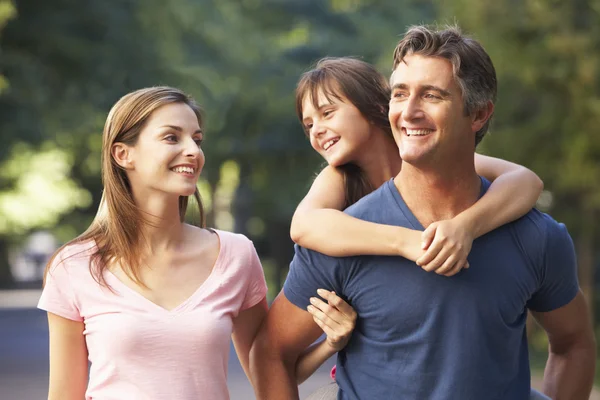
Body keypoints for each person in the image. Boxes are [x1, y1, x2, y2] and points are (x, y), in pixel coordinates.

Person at [251, 26, 596, 400]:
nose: (410, 111)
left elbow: (574, 343)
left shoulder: (535, 235)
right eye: (400, 94)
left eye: (431, 95)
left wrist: (466, 227)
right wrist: (405, 242)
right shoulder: (338, 230)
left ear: (478, 114)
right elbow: (272, 354)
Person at [37, 86, 358, 400]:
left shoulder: (235, 256)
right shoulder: (75, 266)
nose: (193, 150)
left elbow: (270, 370)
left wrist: (331, 341)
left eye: (197, 139)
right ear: (123, 154)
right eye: (171, 137)